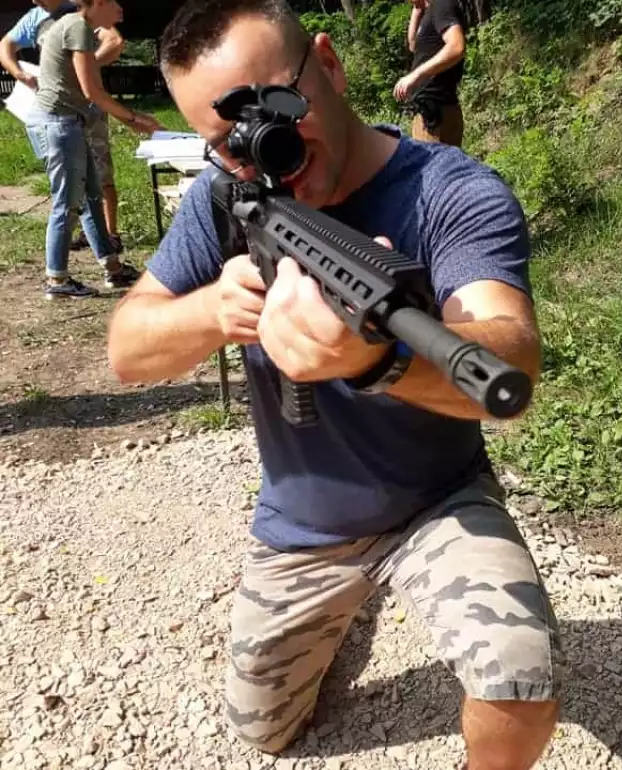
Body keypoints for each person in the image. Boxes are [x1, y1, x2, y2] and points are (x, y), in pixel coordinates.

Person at [107, 1, 563, 768]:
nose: (266, 149)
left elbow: (509, 354)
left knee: (518, 674)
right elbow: (126, 349)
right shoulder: (227, 196)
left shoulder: (449, 190)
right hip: (304, 524)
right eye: (228, 140)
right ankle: (341, 614)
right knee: (263, 733)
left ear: (329, 62)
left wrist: (375, 358)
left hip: (436, 500)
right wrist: (217, 309)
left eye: (277, 108)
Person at [24, 0, 160, 299]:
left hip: (68, 122)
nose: (121, 8)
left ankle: (113, 268)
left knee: (91, 196)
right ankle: (57, 281)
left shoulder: (78, 26)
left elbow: (90, 88)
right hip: (57, 125)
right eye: (114, 2)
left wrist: (130, 120)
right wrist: (136, 119)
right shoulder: (77, 27)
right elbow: (92, 91)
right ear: (97, 2)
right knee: (67, 202)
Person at [0, 0, 126, 252]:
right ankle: (84, 239)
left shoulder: (81, 13)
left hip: (89, 108)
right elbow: (5, 45)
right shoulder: (34, 17)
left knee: (100, 174)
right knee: (71, 179)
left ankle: (111, 236)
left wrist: (84, 66)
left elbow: (115, 42)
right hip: (56, 114)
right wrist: (18, 73)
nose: (36, 0)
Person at [393, 0, 467, 147]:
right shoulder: (430, 11)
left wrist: (415, 76)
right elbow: (414, 45)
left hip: (435, 114)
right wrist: (416, 9)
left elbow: (457, 47)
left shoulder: (442, 5)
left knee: (434, 169)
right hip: (429, 112)